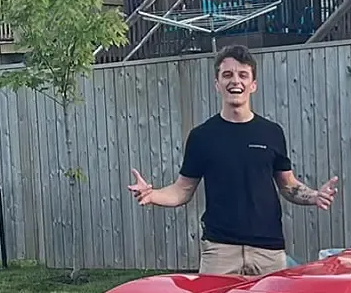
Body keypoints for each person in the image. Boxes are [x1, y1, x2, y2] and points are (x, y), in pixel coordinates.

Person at [127, 44, 337, 276]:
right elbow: (182, 190)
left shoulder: (272, 133)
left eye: (242, 75)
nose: (235, 81)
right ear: (217, 84)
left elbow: (288, 185)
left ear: (253, 85)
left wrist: (315, 196)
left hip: (268, 251)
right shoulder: (202, 136)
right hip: (219, 252)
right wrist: (152, 195)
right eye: (227, 75)